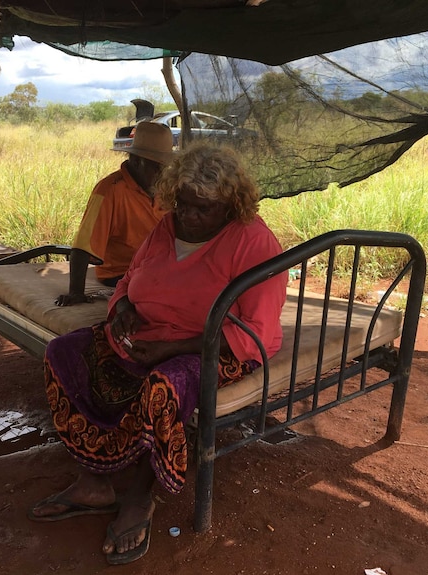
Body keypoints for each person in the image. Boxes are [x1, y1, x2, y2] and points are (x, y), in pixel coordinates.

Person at [29, 142, 288, 565]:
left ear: (229, 206)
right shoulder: (168, 226)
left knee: (162, 385)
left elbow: (255, 329)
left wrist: (171, 348)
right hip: (151, 334)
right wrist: (123, 309)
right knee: (63, 353)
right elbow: (132, 277)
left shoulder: (252, 241)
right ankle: (94, 482)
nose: (188, 216)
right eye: (182, 204)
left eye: (202, 209)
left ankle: (139, 498)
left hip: (213, 346)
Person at [55, 121, 173, 306]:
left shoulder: (167, 189)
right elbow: (82, 246)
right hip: (122, 274)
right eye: (156, 167)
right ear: (136, 161)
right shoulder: (109, 190)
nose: (162, 174)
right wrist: (76, 292)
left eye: (165, 168)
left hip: (162, 270)